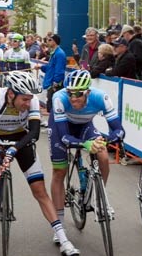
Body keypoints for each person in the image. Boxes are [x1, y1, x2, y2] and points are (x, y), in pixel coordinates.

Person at [0, 71, 81, 256]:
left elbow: (33, 133)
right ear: (11, 94)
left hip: (20, 139)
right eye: (24, 99)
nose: (28, 103)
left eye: (30, 99)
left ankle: (63, 239)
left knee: (40, 191)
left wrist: (15, 149)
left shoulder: (30, 100)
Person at [48, 69, 125, 245]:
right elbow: (65, 137)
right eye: (70, 93)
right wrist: (86, 145)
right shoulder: (60, 98)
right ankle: (58, 224)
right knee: (59, 172)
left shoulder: (100, 97)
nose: (73, 98)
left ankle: (100, 198)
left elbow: (119, 130)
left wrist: (104, 141)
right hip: (62, 127)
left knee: (103, 156)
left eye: (78, 94)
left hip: (85, 126)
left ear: (88, 92)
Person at [40, 34, 66, 112]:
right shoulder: (54, 53)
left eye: (50, 40)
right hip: (51, 83)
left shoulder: (59, 54)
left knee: (53, 108)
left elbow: (60, 70)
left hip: (54, 85)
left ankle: (53, 123)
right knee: (50, 107)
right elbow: (50, 68)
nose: (47, 41)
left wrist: (55, 83)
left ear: (55, 41)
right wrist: (41, 67)